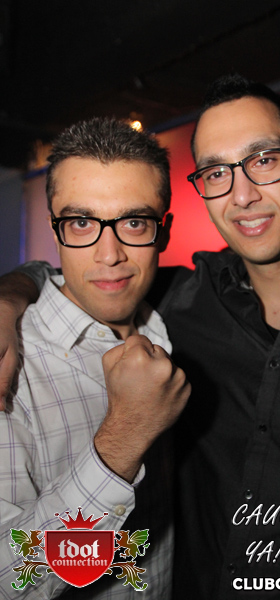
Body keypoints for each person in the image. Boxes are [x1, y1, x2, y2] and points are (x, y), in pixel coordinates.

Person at [0, 75, 280, 598]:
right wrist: (11, 296)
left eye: (264, 160)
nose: (243, 194)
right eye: (216, 172)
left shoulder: (171, 311)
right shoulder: (182, 304)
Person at [0, 117, 190, 599]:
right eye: (82, 222)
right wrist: (123, 439)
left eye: (134, 222)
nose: (109, 254)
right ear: (56, 231)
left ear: (163, 232)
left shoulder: (169, 321)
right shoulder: (10, 367)